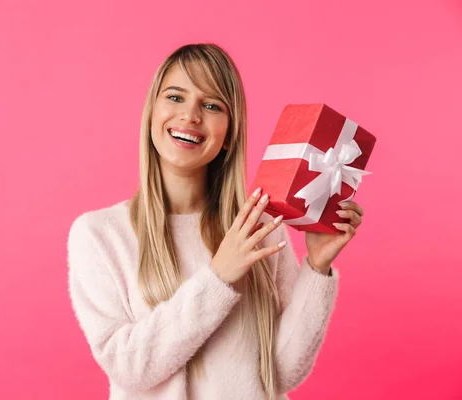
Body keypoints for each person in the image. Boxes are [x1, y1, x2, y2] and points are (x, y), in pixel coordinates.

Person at [67, 43, 364, 400]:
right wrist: (218, 277)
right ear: (151, 113)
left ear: (228, 135)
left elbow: (282, 372)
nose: (190, 115)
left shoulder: (259, 228)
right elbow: (131, 369)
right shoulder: (100, 236)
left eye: (211, 105)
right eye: (175, 97)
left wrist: (317, 266)